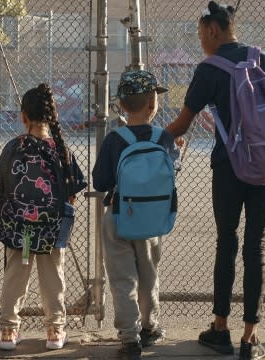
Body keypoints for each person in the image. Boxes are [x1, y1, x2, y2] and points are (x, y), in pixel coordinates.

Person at [165, 2, 265, 359]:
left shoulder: (210, 68)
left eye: (201, 33)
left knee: (226, 242)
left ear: (213, 30)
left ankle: (220, 329)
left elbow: (182, 124)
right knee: (255, 248)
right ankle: (250, 338)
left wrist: (152, 139)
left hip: (229, 168)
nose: (201, 39)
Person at [93, 70, 181, 360]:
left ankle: (129, 339)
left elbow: (101, 182)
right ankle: (149, 326)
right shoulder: (164, 138)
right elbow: (170, 176)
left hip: (118, 216)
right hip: (152, 221)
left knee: (122, 279)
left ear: (121, 105)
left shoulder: (114, 139)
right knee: (148, 275)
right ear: (152, 104)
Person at [0, 84, 87, 352]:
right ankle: (55, 330)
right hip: (51, 230)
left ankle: (9, 332)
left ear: (23, 116)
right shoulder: (62, 150)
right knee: (53, 276)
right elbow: (72, 192)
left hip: (19, 230)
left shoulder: (13, 147)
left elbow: (3, 184)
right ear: (52, 116)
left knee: (15, 275)